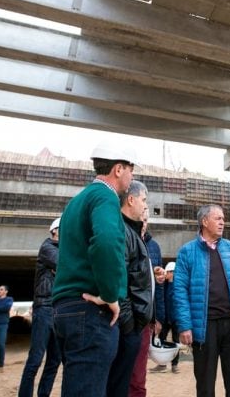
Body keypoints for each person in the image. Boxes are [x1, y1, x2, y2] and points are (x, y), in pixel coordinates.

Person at [52, 141, 136, 397]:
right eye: (132, 170)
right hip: (90, 312)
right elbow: (107, 242)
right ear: (119, 169)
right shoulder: (105, 196)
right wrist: (110, 295)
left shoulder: (76, 202)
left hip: (66, 310)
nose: (133, 178)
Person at [173, 204, 230, 397]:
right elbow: (179, 290)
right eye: (218, 218)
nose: (222, 222)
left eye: (223, 218)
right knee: (205, 382)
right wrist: (184, 326)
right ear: (204, 222)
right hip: (204, 327)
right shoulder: (187, 252)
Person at [107, 180, 156, 397]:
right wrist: (130, 325)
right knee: (119, 384)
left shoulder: (134, 234)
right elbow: (120, 280)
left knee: (130, 380)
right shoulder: (123, 231)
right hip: (128, 325)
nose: (146, 206)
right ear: (131, 199)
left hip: (135, 323)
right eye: (144, 200)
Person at [18, 217, 62, 397]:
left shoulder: (62, 250)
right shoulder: (47, 248)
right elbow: (65, 265)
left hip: (58, 310)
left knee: (54, 360)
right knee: (36, 359)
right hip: (44, 308)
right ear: (54, 231)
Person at [129, 208, 166, 396]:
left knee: (138, 378)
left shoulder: (154, 247)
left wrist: (157, 317)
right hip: (126, 318)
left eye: (146, 219)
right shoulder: (125, 238)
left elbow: (156, 288)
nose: (144, 222)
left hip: (145, 320)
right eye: (141, 218)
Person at [149, 260, 179, 374]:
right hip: (166, 318)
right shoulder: (164, 286)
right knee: (162, 339)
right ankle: (162, 364)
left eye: (168, 272)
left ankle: (174, 365)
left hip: (174, 318)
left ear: (172, 272)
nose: (165, 274)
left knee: (175, 341)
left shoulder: (177, 286)